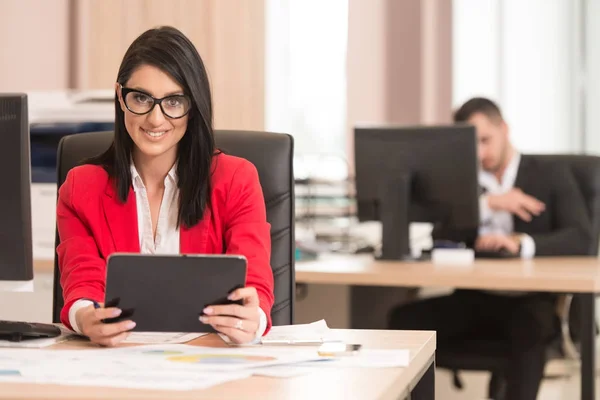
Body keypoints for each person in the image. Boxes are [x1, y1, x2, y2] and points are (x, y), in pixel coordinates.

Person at [56, 26, 274, 347]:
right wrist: (84, 316)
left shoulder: (236, 179)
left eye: (173, 101)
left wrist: (253, 321)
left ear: (193, 104)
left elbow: (254, 279)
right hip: (116, 363)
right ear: (120, 96)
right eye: (141, 98)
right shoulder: (81, 187)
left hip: (210, 359)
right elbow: (82, 278)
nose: (156, 119)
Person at [388, 97, 592, 400]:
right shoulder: (462, 183)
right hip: (475, 299)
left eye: (486, 140)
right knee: (403, 321)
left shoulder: (550, 173)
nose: (481, 153)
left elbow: (581, 238)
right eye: (473, 144)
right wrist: (487, 205)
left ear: (504, 129)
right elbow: (439, 236)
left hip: (531, 302)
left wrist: (520, 244)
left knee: (528, 330)